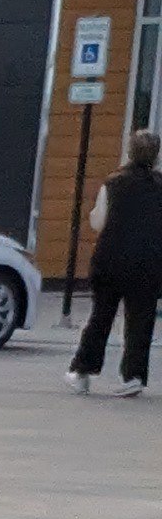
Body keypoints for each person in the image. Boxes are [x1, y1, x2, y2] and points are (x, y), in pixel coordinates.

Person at [74, 127, 162, 390]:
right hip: (148, 263)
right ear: (156, 156)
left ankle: (83, 371)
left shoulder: (113, 183)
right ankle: (133, 376)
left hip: (111, 260)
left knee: (101, 316)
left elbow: (99, 221)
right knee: (140, 321)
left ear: (129, 152)